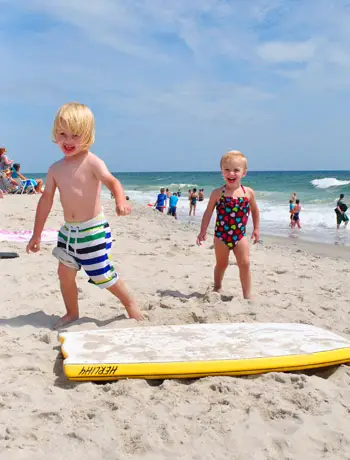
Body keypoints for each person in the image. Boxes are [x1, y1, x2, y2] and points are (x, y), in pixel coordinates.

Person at [26, 102, 142, 328]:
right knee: (64, 275)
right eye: (62, 134)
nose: (67, 141)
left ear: (87, 135)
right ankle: (72, 312)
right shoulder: (55, 169)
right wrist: (36, 234)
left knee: (101, 275)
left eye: (75, 135)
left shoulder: (92, 162)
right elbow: (46, 200)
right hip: (68, 233)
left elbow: (112, 181)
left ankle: (129, 303)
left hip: (93, 231)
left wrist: (120, 201)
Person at [196, 150, 260, 299]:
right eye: (227, 170)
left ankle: (247, 295)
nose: (231, 173)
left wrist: (256, 229)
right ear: (222, 172)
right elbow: (208, 212)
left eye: (236, 170)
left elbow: (255, 211)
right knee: (221, 264)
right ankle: (217, 287)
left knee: (245, 263)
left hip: (240, 236)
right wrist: (202, 231)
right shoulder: (218, 193)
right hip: (221, 236)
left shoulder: (248, 193)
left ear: (244, 172)